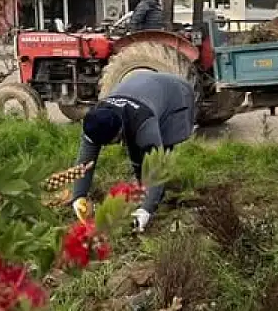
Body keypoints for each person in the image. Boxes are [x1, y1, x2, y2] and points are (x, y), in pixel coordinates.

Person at [71, 71, 196, 232]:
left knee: (161, 150)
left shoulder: (145, 123)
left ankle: (156, 199)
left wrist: (145, 211)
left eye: (113, 142)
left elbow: (156, 167)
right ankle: (146, 191)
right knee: (136, 152)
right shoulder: (95, 120)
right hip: (142, 85)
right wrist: (79, 197)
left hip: (175, 94)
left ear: (119, 131)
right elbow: (84, 163)